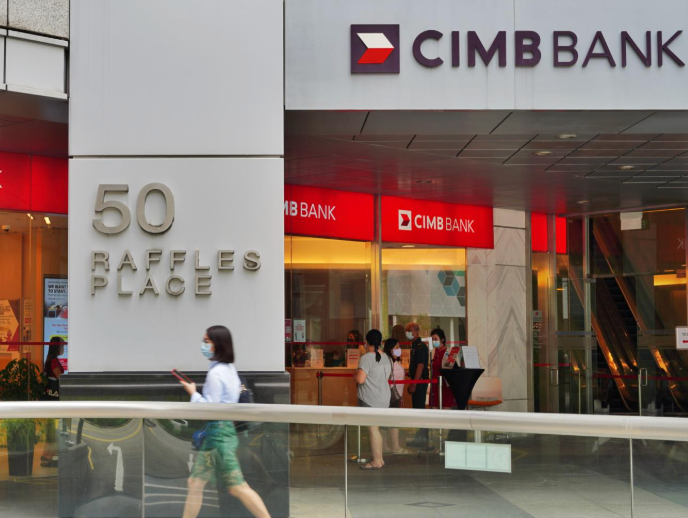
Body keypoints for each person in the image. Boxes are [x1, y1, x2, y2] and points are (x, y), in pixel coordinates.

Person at [179, 325, 271, 518]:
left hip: (218, 436)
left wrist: (193, 393)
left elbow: (210, 409)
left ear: (217, 344)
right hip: (221, 433)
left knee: (238, 486)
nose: (203, 345)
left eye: (206, 341)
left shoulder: (216, 374)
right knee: (195, 483)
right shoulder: (229, 370)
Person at [355, 329, 391, 470]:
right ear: (380, 342)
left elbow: (360, 379)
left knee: (373, 429)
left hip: (370, 398)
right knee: (377, 429)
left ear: (366, 342)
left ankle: (376, 461)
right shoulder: (386, 357)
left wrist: (355, 376)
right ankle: (379, 459)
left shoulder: (366, 358)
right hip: (384, 397)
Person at [382, 338, 410, 455]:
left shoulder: (389, 361)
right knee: (393, 421)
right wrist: (399, 396)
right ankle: (395, 447)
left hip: (391, 395)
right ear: (390, 349)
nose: (399, 349)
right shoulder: (389, 363)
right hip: (391, 396)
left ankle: (385, 446)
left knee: (385, 422)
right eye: (397, 347)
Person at [405, 322, 430, 448]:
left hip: (420, 382)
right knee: (417, 409)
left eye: (410, 330)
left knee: (420, 409)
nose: (408, 333)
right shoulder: (414, 345)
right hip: (417, 380)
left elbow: (420, 367)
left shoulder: (420, 346)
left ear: (416, 331)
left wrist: (414, 384)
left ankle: (423, 438)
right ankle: (420, 437)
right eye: (406, 330)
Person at [41, 337, 65, 467]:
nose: (63, 348)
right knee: (54, 427)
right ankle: (51, 455)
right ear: (57, 347)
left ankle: (47, 453)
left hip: (49, 397)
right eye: (62, 346)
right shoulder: (54, 361)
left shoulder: (50, 359)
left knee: (51, 427)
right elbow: (59, 378)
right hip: (54, 398)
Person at [429, 328, 456, 409]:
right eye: (432, 339)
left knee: (445, 412)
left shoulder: (448, 352)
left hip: (445, 386)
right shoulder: (434, 352)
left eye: (436, 339)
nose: (434, 341)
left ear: (442, 339)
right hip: (435, 385)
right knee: (434, 411)